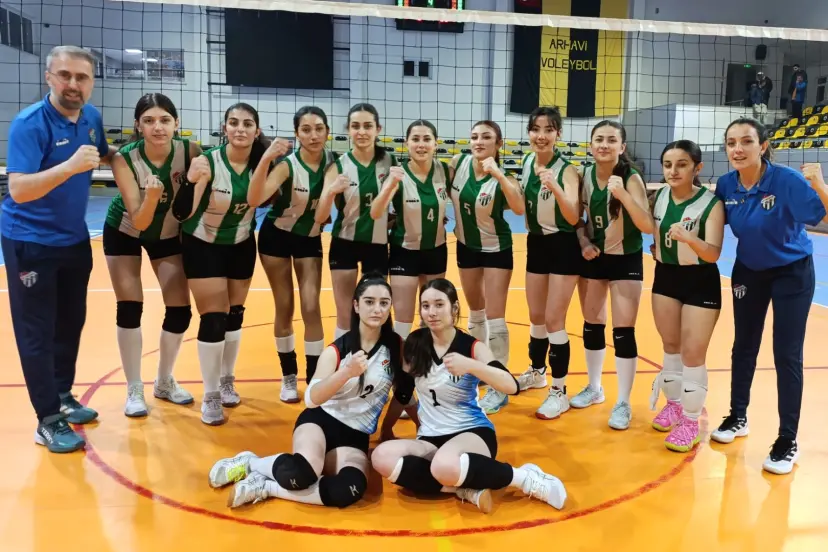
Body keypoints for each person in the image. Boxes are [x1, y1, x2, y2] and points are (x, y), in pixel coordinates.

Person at [206, 274, 412, 509]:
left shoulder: (397, 347)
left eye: (384, 303)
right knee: (303, 473)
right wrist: (346, 372)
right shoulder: (337, 350)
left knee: (351, 488)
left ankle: (267, 487)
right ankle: (250, 463)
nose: (377, 309)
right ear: (356, 305)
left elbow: (406, 393)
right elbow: (312, 399)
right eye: (369, 302)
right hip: (320, 422)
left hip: (355, 437)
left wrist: (395, 429)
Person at [371, 279, 567, 514]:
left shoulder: (470, 346)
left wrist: (472, 366)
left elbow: (511, 386)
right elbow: (403, 392)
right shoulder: (415, 344)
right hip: (430, 438)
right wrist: (386, 428)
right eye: (425, 306)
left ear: (454, 308)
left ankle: (525, 478)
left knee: (443, 465)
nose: (431, 312)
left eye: (439, 305)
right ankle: (463, 489)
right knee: (381, 457)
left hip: (471, 433)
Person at [3, 45, 114, 453]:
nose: (72, 84)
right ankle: (47, 419)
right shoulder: (29, 124)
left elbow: (105, 155)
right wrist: (69, 167)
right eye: (64, 75)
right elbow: (18, 189)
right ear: (49, 77)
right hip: (30, 242)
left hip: (73, 239)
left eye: (81, 77)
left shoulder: (91, 118)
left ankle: (63, 395)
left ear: (91, 82)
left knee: (70, 322)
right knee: (37, 330)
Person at [711, 118, 828, 475]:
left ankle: (787, 439)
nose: (738, 149)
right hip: (749, 270)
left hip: (792, 272)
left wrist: (821, 184)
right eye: (731, 142)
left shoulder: (787, 180)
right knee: (743, 345)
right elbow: (709, 222)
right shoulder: (726, 184)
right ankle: (738, 416)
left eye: (746, 141)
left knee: (786, 353)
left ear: (762, 146)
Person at [103, 93, 201, 417]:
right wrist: (152, 196)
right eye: (149, 121)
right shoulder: (124, 159)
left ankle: (164, 381)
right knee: (130, 307)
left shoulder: (190, 152)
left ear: (176, 123)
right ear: (138, 126)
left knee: (180, 311)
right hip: (126, 230)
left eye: (164, 120)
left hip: (168, 233)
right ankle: (134, 388)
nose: (157, 127)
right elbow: (140, 220)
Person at [172, 102, 266, 426]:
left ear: (257, 130)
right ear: (224, 128)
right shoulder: (208, 162)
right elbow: (182, 213)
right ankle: (211, 394)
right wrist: (190, 181)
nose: (240, 129)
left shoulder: (261, 165)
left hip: (241, 243)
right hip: (203, 244)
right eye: (234, 122)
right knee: (214, 318)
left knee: (235, 315)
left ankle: (227, 380)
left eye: (247, 124)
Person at [247, 106, 333, 402]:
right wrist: (267, 158)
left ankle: (315, 379)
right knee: (284, 306)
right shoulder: (287, 165)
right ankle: (288, 377)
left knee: (311, 307)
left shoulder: (334, 163)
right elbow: (257, 197)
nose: (313, 135)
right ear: (297, 134)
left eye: (318, 129)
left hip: (309, 239)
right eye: (306, 130)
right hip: (277, 237)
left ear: (327, 132)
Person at [574, 120, 654, 430]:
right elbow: (579, 220)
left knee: (623, 330)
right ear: (591, 145)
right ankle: (595, 388)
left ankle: (623, 402)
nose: (604, 145)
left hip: (625, 259)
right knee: (592, 323)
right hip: (595, 256)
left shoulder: (630, 177)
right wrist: (583, 242)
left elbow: (646, 225)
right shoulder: (585, 176)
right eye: (599, 139)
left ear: (622, 147)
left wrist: (623, 195)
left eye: (611, 140)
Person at [648, 140, 724, 452]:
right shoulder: (659, 197)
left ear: (697, 167)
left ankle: (691, 421)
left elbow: (714, 253)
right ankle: (674, 405)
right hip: (665, 276)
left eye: (682, 164)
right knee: (670, 347)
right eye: (668, 165)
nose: (673, 171)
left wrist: (690, 239)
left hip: (700, 280)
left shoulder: (711, 203)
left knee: (693, 354)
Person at [449, 120, 524, 415]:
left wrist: (498, 173)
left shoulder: (504, 177)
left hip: (496, 249)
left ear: (498, 143)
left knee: (496, 316)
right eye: (474, 137)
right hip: (465, 245)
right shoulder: (458, 164)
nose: (479, 141)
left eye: (486, 137)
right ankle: (480, 370)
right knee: (475, 313)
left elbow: (518, 207)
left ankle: (499, 384)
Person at [513, 106, 582, 420]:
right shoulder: (527, 162)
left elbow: (573, 215)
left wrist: (554, 186)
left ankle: (560, 391)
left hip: (563, 244)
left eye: (548, 130)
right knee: (536, 316)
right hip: (536, 243)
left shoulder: (566, 170)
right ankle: (537, 371)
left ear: (558, 134)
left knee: (555, 320)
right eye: (536, 129)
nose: (541, 136)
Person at [315, 103, 396, 339]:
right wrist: (331, 191)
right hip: (344, 243)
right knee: (345, 314)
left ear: (378, 129)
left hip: (377, 245)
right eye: (356, 126)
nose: (361, 132)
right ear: (348, 130)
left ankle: (378, 357)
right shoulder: (338, 166)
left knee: (376, 312)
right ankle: (344, 359)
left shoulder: (389, 161)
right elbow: (320, 217)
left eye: (367, 126)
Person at [370, 119, 451, 341]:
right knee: (403, 321)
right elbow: (375, 212)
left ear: (435, 144)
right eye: (415, 139)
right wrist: (389, 185)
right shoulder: (398, 174)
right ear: (407, 143)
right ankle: (400, 362)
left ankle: (428, 359)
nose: (421, 144)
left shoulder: (445, 171)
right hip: (404, 251)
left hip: (436, 250)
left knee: (433, 317)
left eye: (427, 139)